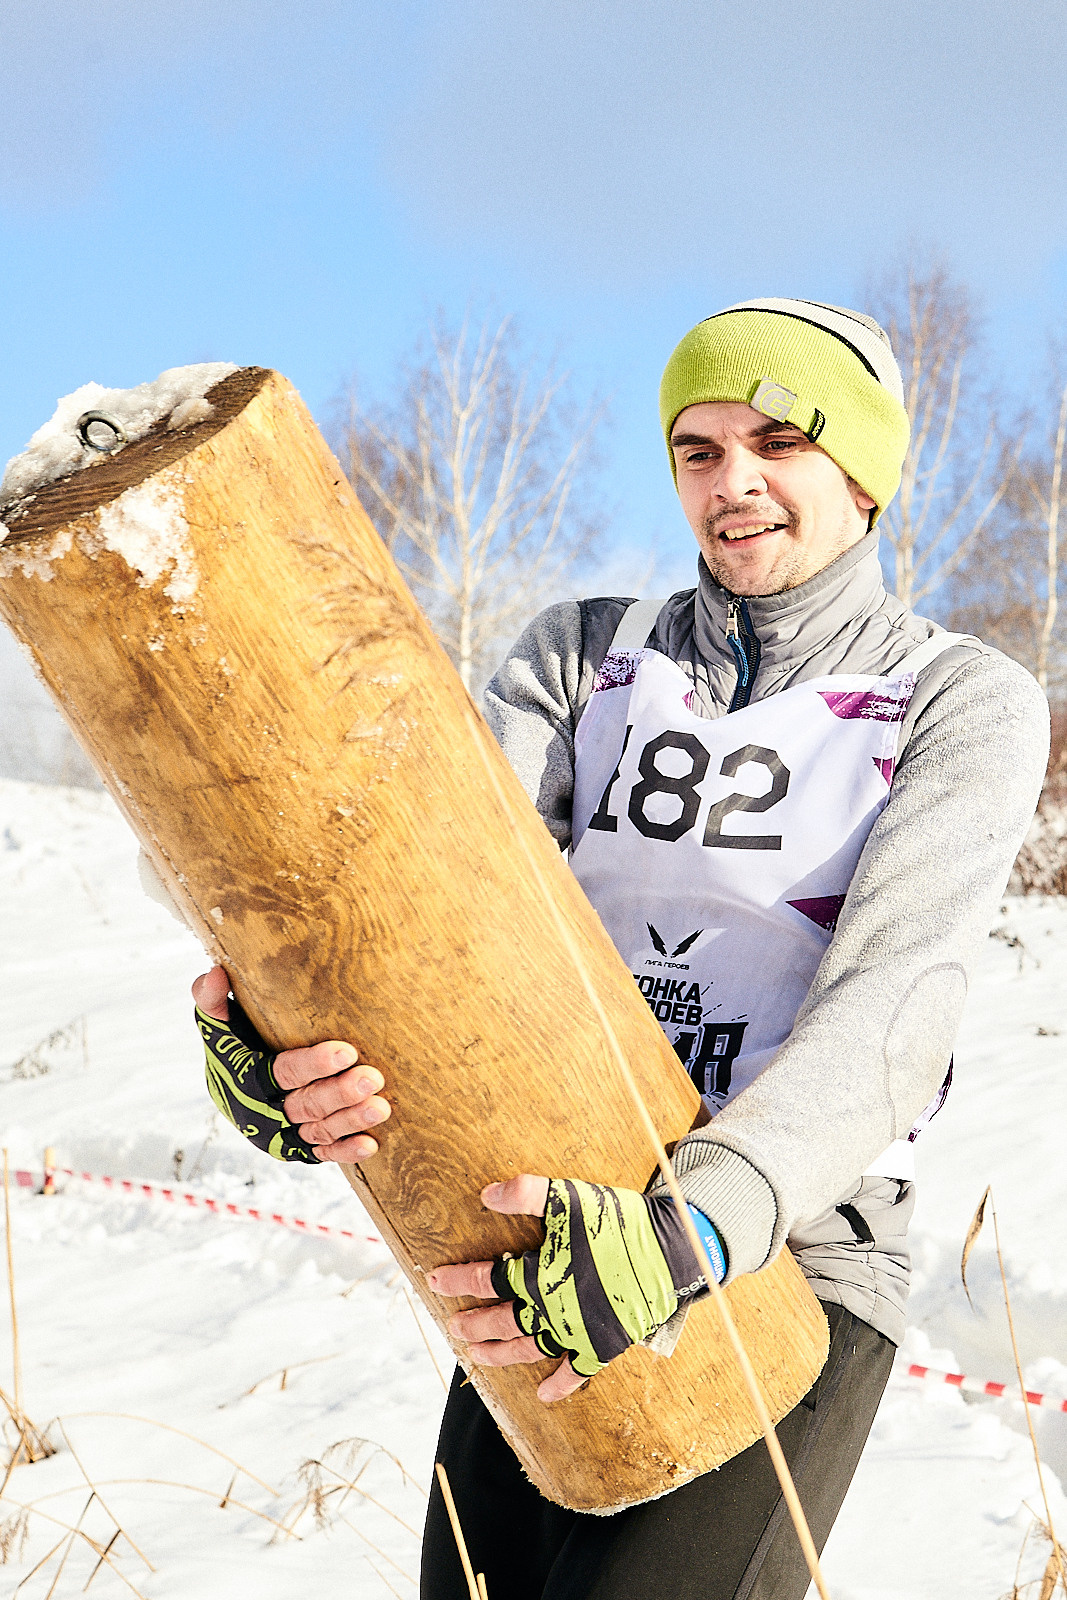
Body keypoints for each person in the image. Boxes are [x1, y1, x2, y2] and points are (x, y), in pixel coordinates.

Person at [193, 298, 1050, 1600]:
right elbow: (431, 911)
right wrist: (290, 1034)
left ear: (865, 472)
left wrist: (694, 1227)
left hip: (785, 1263)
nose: (734, 481)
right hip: (556, 1251)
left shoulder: (956, 697)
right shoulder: (587, 657)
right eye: (697, 450)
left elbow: (895, 1014)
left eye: (781, 439)